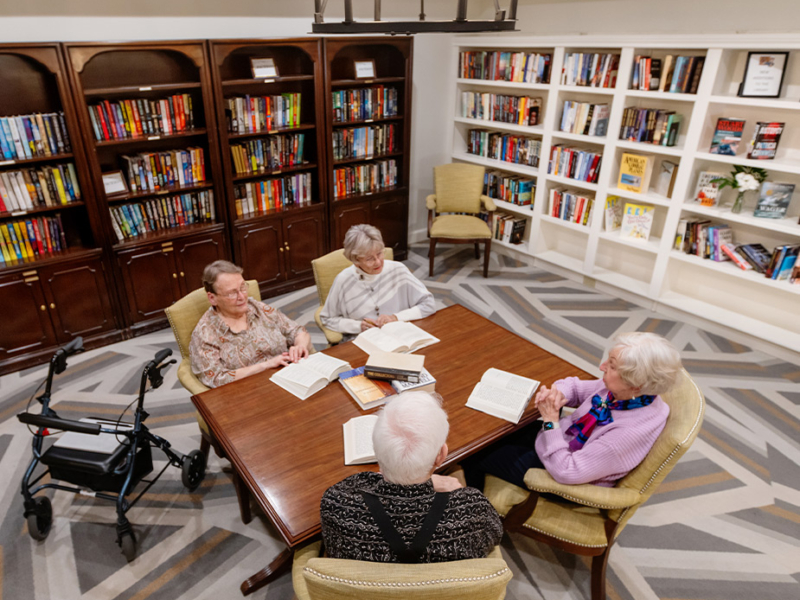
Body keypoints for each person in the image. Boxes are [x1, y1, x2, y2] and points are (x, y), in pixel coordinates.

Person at [465, 332, 682, 489]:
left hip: (562, 475)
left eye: (612, 366)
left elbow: (567, 471)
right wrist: (557, 394)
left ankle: (474, 515)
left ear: (636, 383)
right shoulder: (626, 393)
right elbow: (575, 387)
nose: (602, 367)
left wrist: (550, 421)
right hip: (560, 441)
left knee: (476, 454)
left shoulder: (627, 434)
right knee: (496, 428)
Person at [320, 391, 503, 563]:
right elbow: (495, 535)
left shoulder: (336, 503)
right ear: (441, 455)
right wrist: (435, 484)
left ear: (376, 451)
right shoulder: (472, 508)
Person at [189, 260, 312, 388]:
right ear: (212, 298)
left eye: (242, 287)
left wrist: (300, 346)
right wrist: (266, 365)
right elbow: (216, 378)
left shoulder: (257, 308)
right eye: (232, 293)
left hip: (289, 377)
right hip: (248, 392)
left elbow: (298, 331)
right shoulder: (205, 333)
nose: (242, 297)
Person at [320, 224, 435, 337]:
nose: (378, 262)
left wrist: (396, 317)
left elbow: (428, 304)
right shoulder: (344, 281)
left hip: (400, 336)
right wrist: (358, 326)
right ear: (355, 260)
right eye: (369, 259)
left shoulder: (398, 270)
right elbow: (327, 318)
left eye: (380, 253)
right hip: (364, 341)